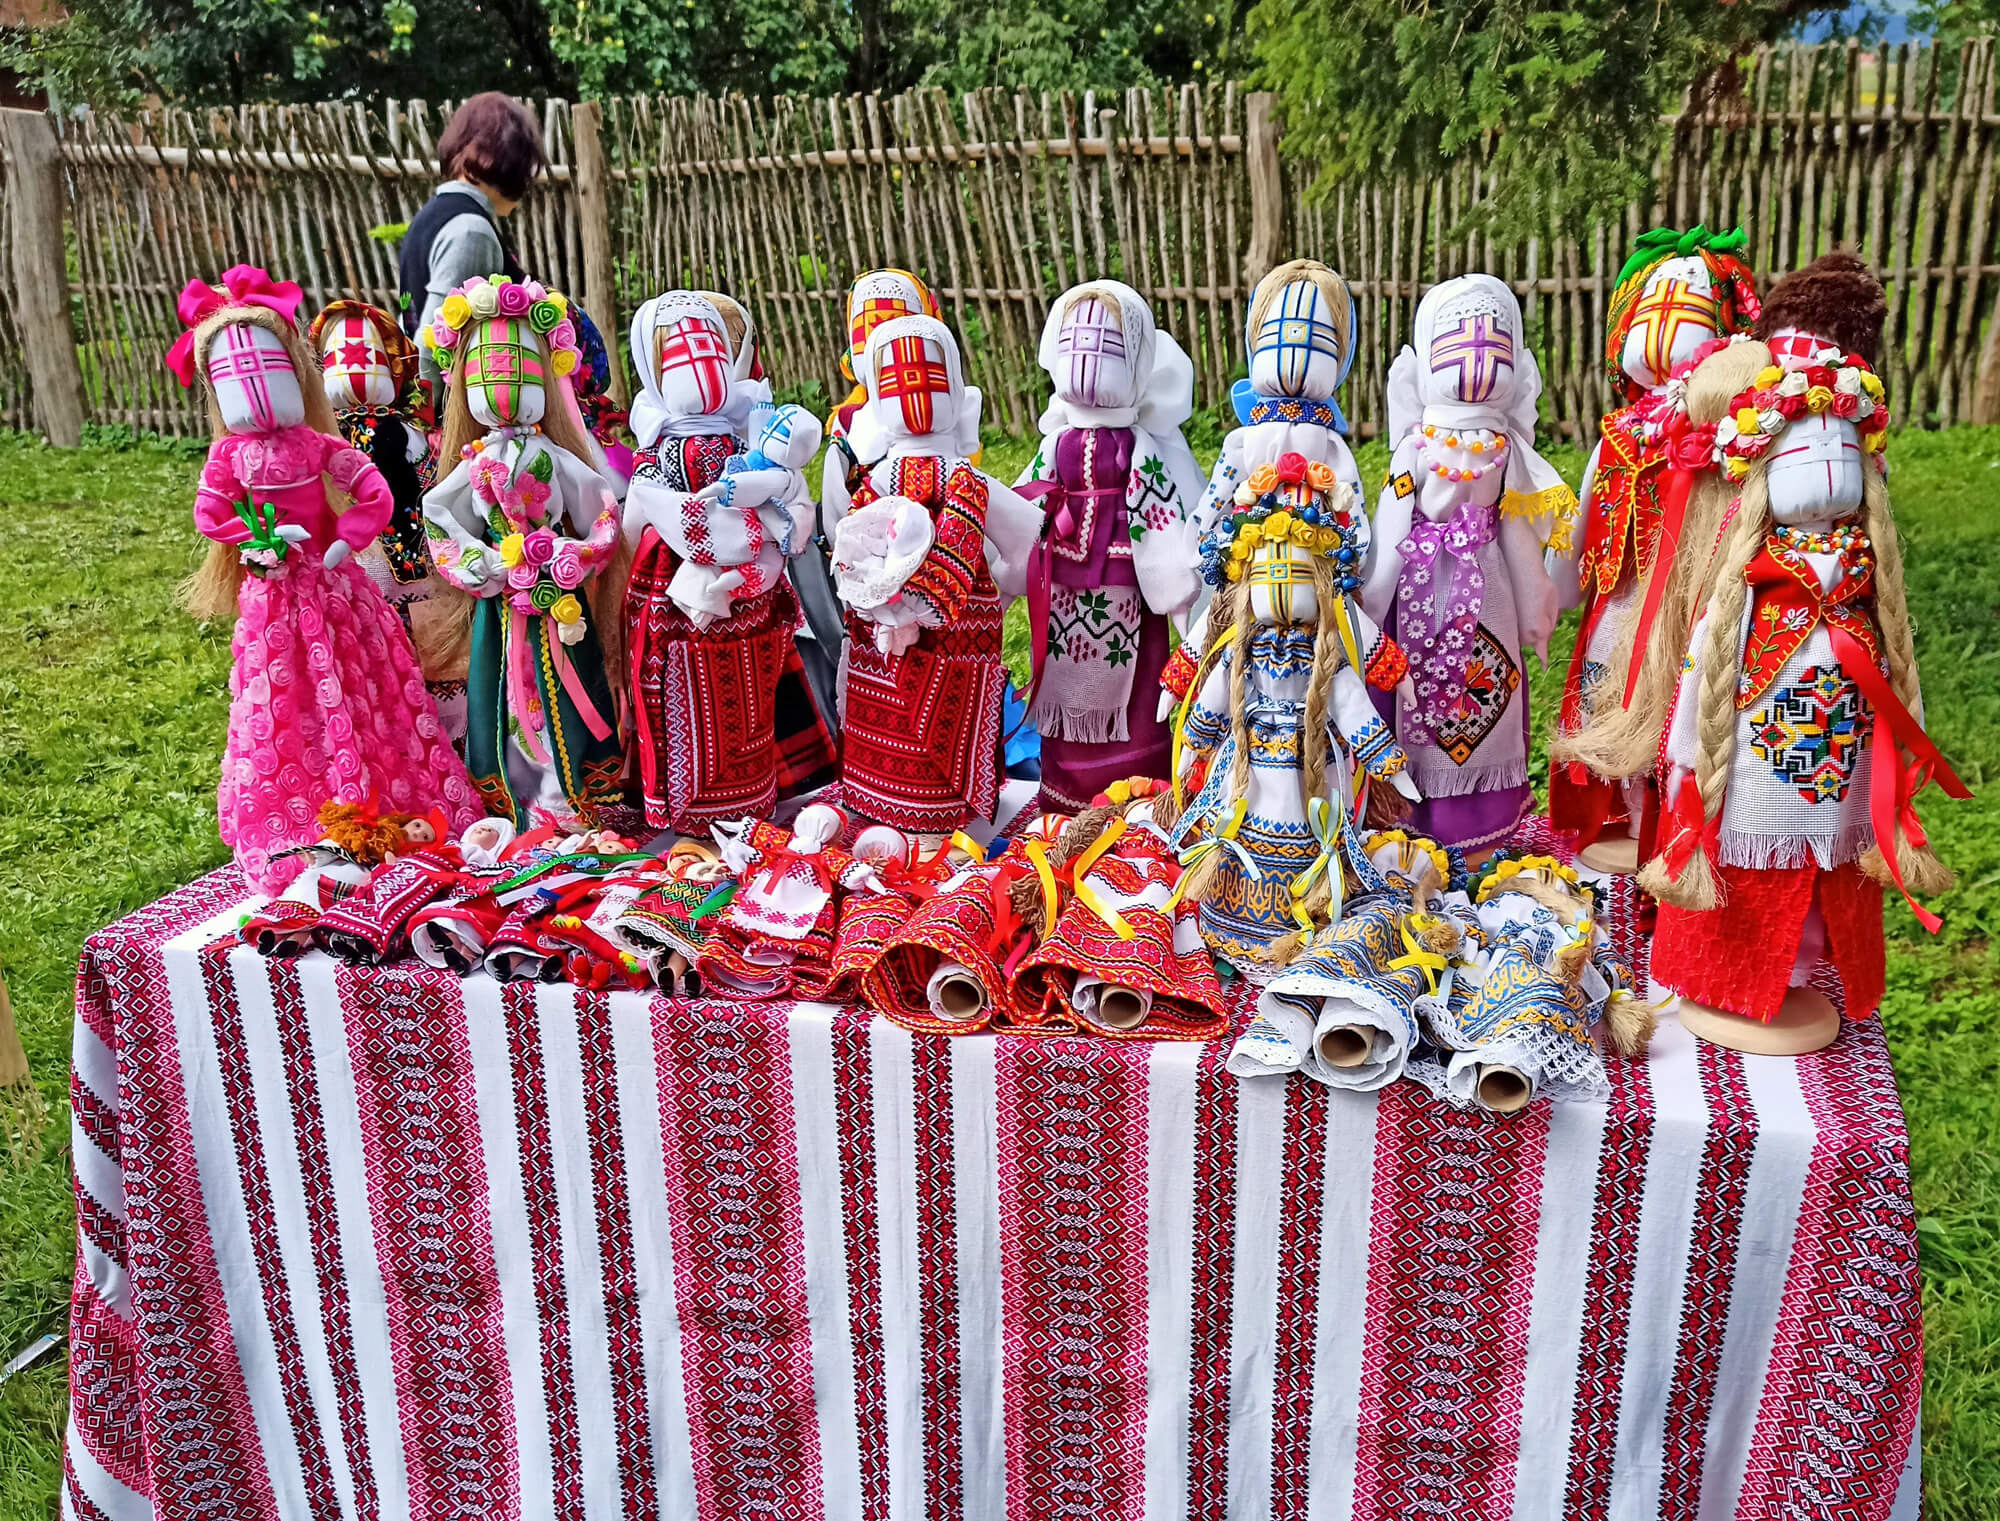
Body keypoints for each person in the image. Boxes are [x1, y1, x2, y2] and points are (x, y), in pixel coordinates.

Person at [397, 92, 544, 384]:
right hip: (451, 409)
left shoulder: (428, 218)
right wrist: (426, 407)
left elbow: (407, 324)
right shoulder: (471, 232)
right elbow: (431, 345)